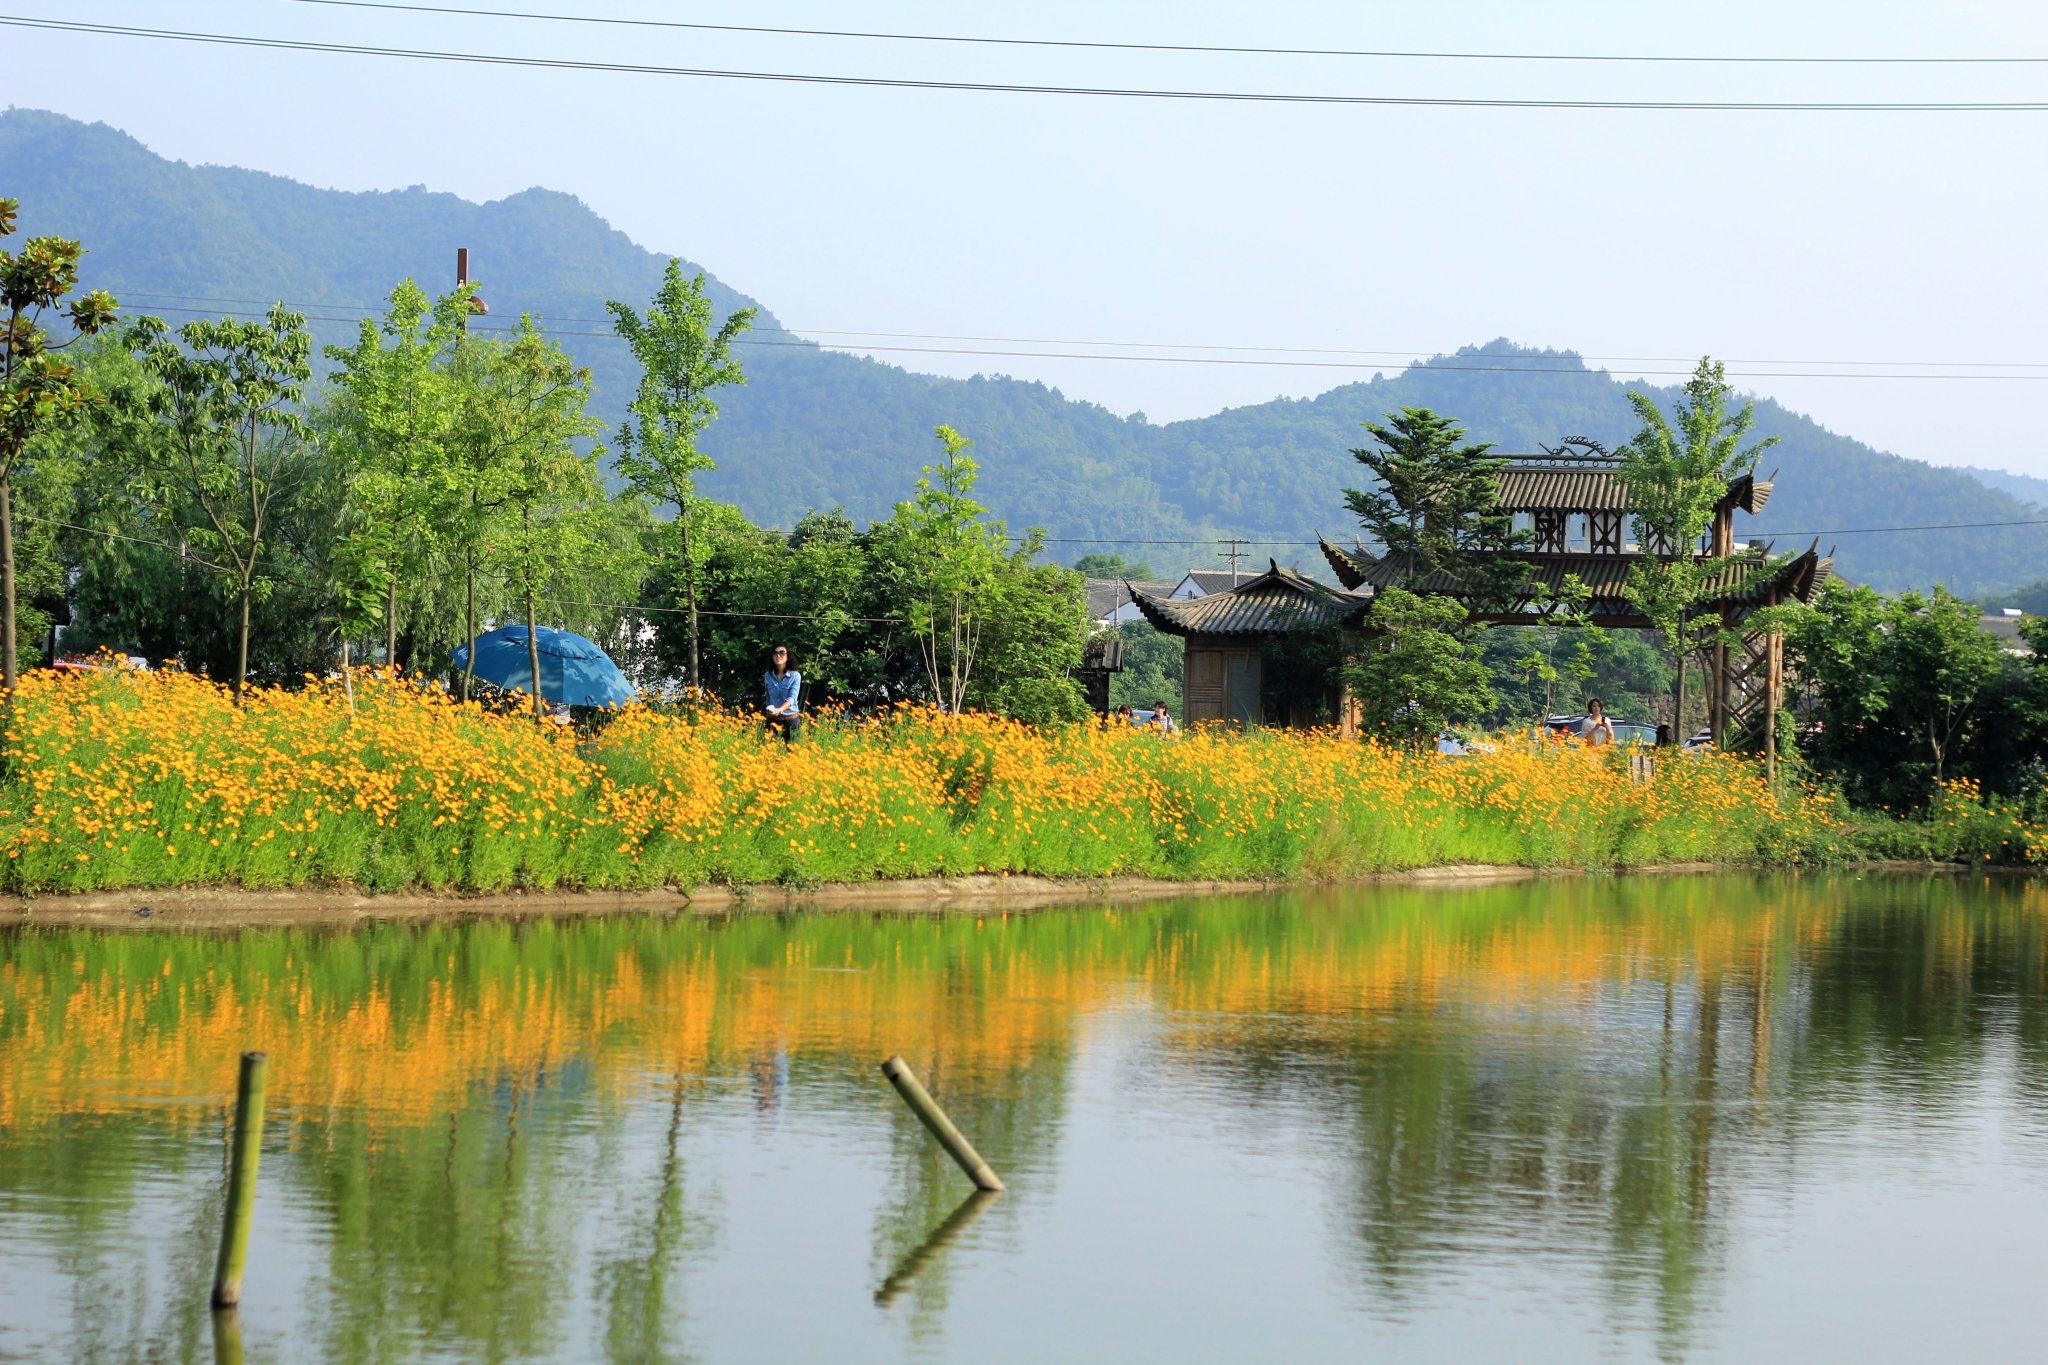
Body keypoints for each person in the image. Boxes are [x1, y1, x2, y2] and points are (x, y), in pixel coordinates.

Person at [763, 645, 802, 744]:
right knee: (767, 752)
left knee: (792, 755)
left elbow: (792, 698)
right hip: (773, 719)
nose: (778, 655)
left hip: (791, 720)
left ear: (788, 656)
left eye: (781, 653)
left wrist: (780, 710)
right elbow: (768, 696)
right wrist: (770, 710)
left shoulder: (795, 676)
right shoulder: (768, 675)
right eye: (775, 653)